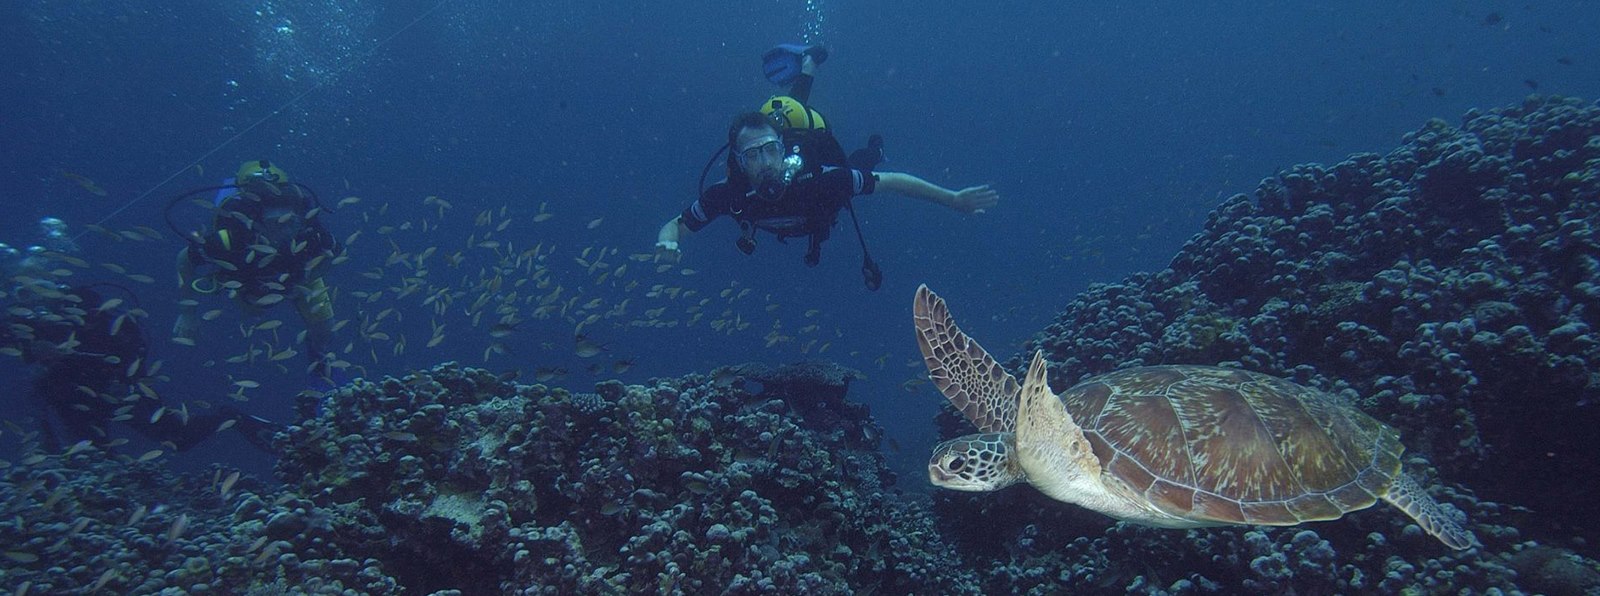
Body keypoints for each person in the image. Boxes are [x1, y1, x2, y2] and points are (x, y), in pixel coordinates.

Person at [655, 47, 999, 289]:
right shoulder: (730, 195)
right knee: (795, 106)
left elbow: (893, 181)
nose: (764, 163)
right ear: (740, 162)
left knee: (859, 161)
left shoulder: (822, 182)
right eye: (752, 156)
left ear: (782, 149)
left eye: (771, 150)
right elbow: (677, 225)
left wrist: (952, 199)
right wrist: (667, 242)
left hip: (824, 188)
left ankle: (871, 142)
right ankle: (806, 66)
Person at [0, 282, 277, 453]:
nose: (29, 300)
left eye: (33, 290)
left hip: (118, 388)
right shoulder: (20, 326)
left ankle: (232, 418)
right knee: (91, 457)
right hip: (68, 398)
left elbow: (129, 340)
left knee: (176, 436)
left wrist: (122, 376)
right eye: (21, 293)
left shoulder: (80, 310)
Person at [169, 160, 341, 384]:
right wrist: (187, 313)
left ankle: (319, 364)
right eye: (277, 224)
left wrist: (303, 279)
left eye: (291, 223)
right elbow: (184, 259)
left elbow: (333, 255)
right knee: (255, 310)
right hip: (247, 275)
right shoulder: (231, 238)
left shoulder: (310, 234)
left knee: (325, 327)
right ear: (258, 224)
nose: (286, 230)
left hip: (300, 274)